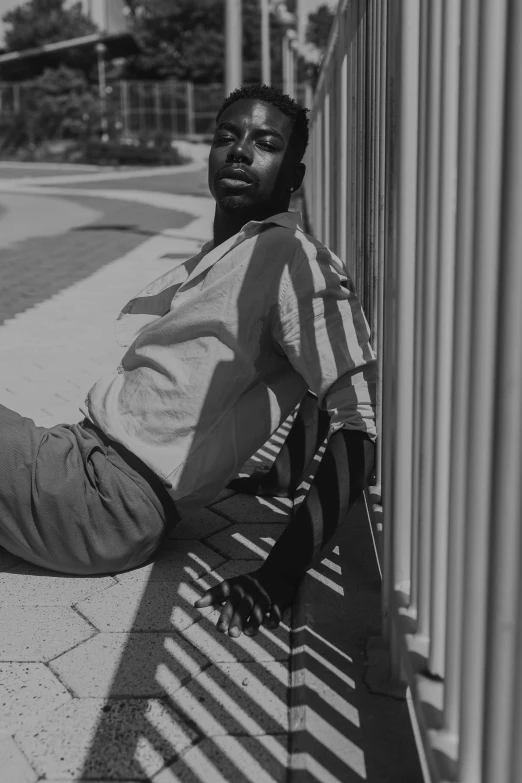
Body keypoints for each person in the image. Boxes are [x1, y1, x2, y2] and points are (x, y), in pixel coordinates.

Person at [0, 84, 376, 638]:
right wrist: (281, 476)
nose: (240, 151)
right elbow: (315, 378)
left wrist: (277, 578)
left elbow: (363, 414)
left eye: (266, 143)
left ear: (294, 177)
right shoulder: (240, 252)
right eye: (227, 137)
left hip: (102, 499)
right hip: (78, 462)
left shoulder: (291, 259)